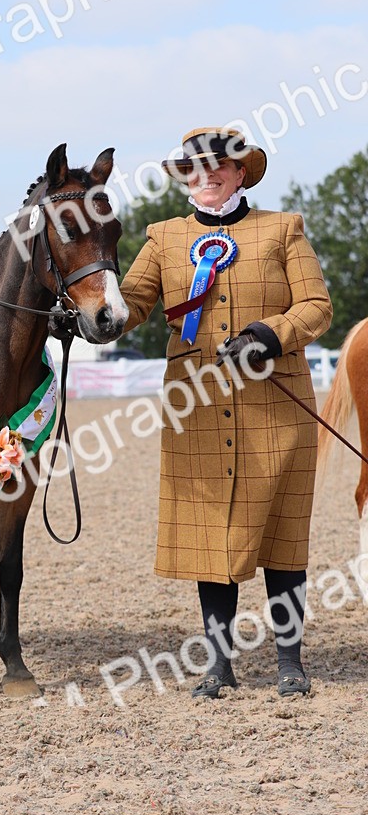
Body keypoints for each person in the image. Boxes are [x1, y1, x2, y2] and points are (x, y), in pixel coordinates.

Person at [119, 127, 333, 699]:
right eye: (195, 168)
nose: (207, 175)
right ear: (184, 177)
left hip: (276, 407)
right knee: (209, 536)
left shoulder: (283, 229)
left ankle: (291, 661)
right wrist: (89, 312)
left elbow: (317, 306)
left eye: (221, 166)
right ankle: (219, 664)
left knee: (282, 537)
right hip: (197, 407)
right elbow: (132, 303)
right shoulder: (163, 238)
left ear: (241, 173)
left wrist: (269, 333)